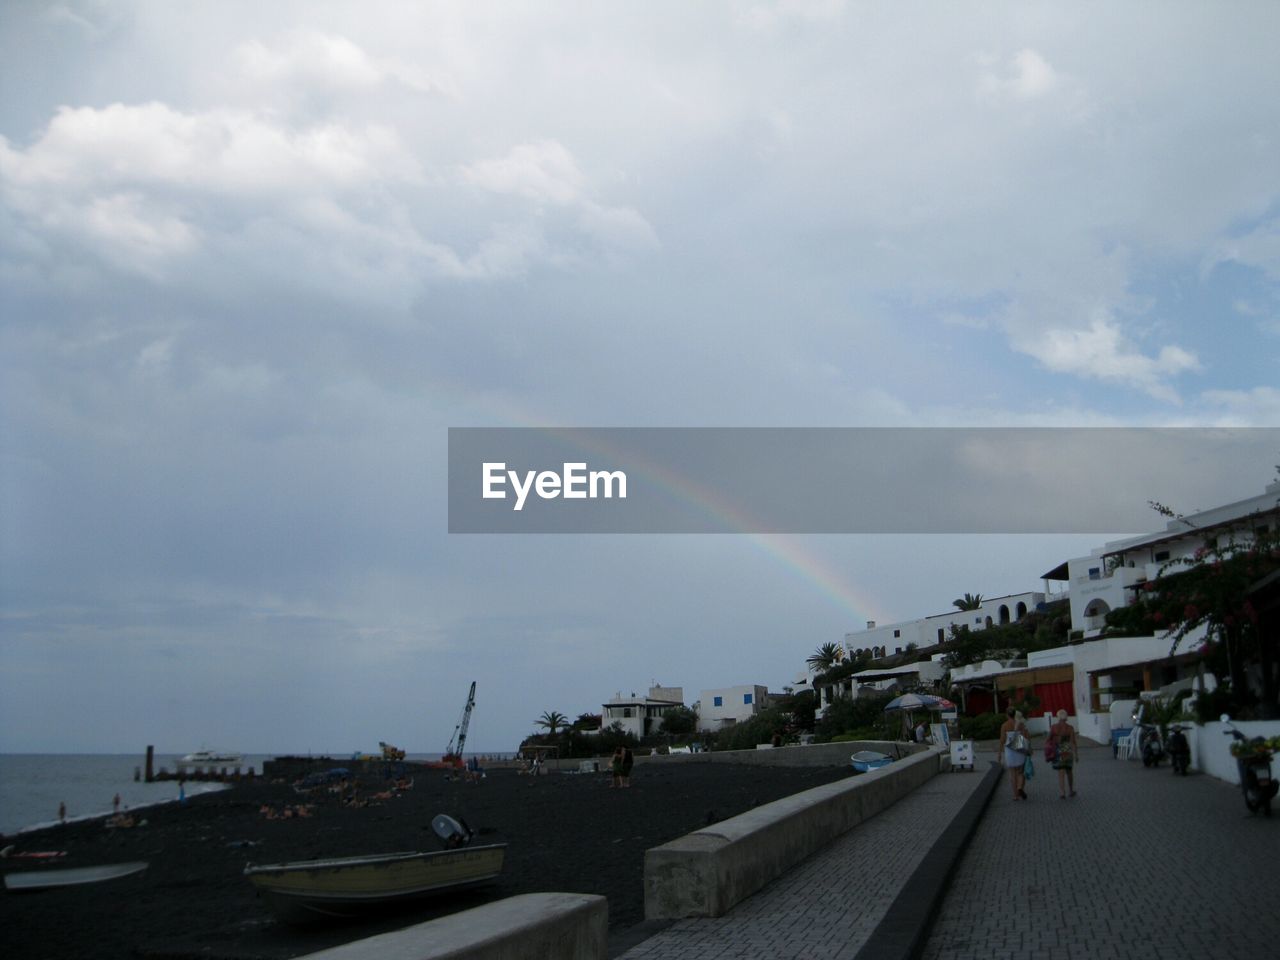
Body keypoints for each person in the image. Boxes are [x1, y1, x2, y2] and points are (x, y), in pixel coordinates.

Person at [997, 708, 1031, 800]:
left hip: (1010, 751)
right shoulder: (1020, 724)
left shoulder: (1004, 725)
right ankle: (1020, 787)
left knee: (1012, 774)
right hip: (1019, 749)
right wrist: (1028, 748)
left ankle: (1015, 795)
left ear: (1007, 715)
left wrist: (999, 753)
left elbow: (1002, 740)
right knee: (1020, 771)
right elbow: (1026, 737)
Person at [1049, 708, 1079, 798]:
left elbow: (1049, 739)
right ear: (1066, 717)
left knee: (1061, 772)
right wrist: (1076, 754)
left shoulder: (1054, 727)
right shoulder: (1070, 728)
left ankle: (1062, 792)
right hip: (1068, 752)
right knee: (1069, 772)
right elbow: (1073, 742)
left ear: (1058, 717)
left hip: (1059, 752)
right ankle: (1071, 790)